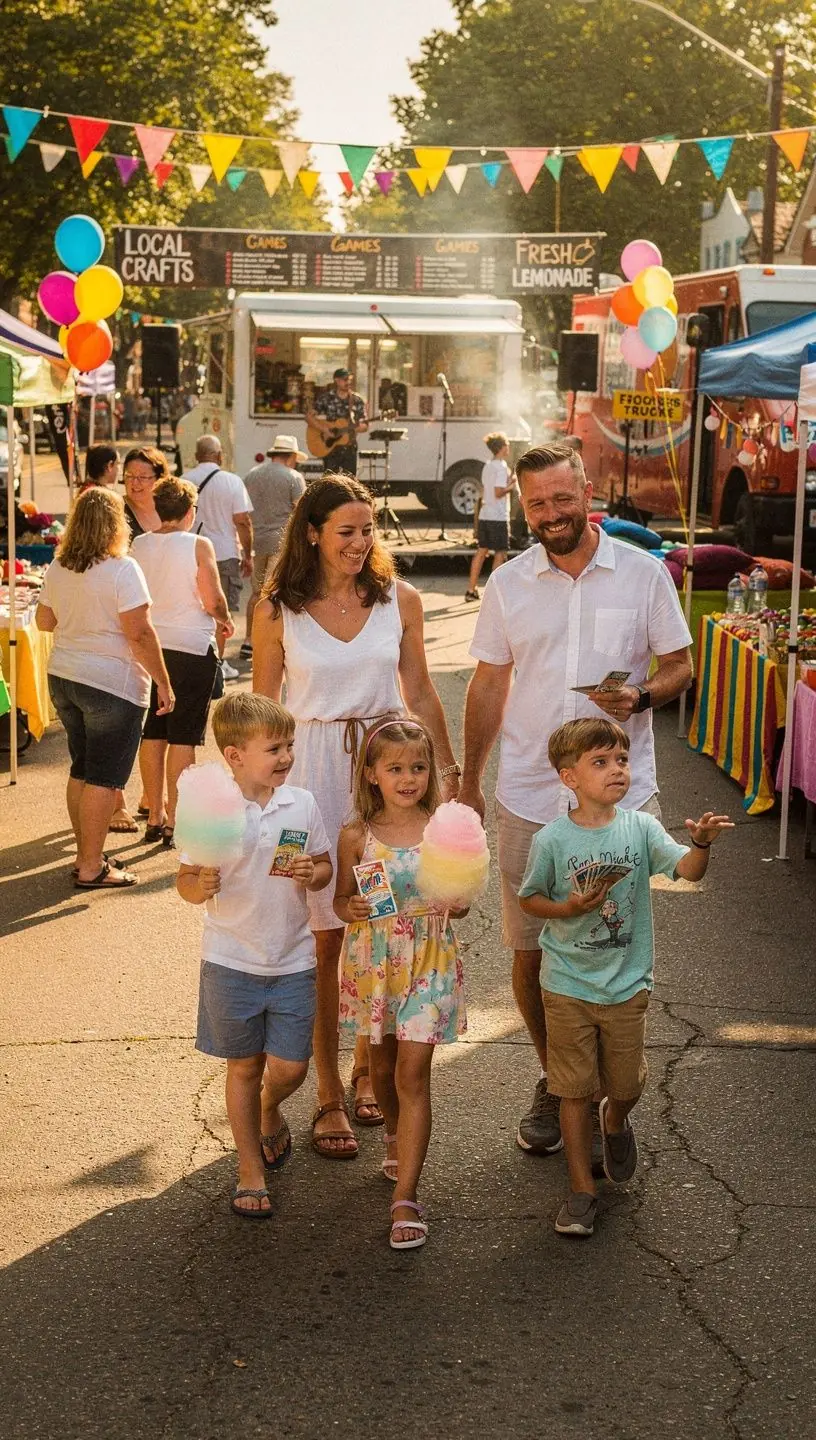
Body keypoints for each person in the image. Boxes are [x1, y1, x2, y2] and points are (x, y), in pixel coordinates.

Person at [460, 441, 693, 1160]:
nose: (552, 515)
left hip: (617, 801)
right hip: (529, 793)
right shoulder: (507, 583)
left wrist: (642, 696)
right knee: (531, 949)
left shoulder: (644, 574)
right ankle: (556, 1079)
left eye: (564, 499)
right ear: (519, 505)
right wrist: (467, 778)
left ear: (588, 490)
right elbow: (489, 684)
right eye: (537, 504)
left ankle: (611, 1092)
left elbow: (679, 666)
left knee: (611, 943)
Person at [252, 474, 461, 1161]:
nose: (360, 542)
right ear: (311, 532)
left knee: (386, 923)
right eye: (346, 531)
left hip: (385, 772)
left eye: (368, 530)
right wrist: (262, 805)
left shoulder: (397, 599)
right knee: (322, 939)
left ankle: (371, 1068)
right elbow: (263, 714)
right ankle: (329, 1096)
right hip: (309, 774)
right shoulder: (277, 607)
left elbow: (421, 691)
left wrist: (453, 777)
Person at [517, 718, 732, 1237]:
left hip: (627, 985)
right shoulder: (552, 839)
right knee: (572, 1090)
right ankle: (580, 1191)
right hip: (566, 983)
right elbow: (530, 898)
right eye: (601, 762)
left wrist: (700, 845)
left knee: (626, 1084)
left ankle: (615, 1120)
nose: (616, 770)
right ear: (569, 777)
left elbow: (687, 872)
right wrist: (568, 906)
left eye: (621, 760)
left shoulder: (639, 828)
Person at [177, 693, 332, 1219]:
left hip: (292, 958)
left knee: (290, 1067)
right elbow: (185, 884)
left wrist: (317, 873)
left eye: (289, 745)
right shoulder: (211, 808)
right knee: (243, 1065)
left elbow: (325, 863)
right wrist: (199, 881)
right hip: (230, 960)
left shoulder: (301, 804)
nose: (286, 756)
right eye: (274, 748)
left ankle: (271, 1106)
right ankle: (249, 1169)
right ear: (235, 755)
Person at [335, 718, 466, 1250]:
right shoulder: (356, 837)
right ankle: (393, 1133)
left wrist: (458, 900)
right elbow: (341, 902)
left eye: (418, 767)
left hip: (430, 960)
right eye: (395, 768)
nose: (408, 777)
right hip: (376, 963)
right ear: (372, 775)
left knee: (413, 1074)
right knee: (383, 1068)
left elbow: (463, 897)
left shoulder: (446, 828)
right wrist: (352, 905)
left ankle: (406, 1197)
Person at [35, 488, 174, 891]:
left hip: (65, 675)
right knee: (105, 778)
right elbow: (141, 633)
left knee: (82, 768)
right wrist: (164, 682)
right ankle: (91, 864)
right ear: (117, 524)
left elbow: (45, 621)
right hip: (111, 682)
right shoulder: (122, 569)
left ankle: (86, 854)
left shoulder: (60, 567)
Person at [131, 477, 234, 848]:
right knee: (184, 735)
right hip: (191, 646)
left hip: (149, 649)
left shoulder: (138, 544)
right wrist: (224, 619)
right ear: (190, 511)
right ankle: (177, 817)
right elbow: (213, 598)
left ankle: (154, 812)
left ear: (158, 509)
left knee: (153, 731)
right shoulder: (198, 545)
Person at [183, 435, 254, 681]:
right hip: (223, 554)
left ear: (196, 455)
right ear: (220, 455)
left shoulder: (184, 480)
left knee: (193, 608)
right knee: (221, 612)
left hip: (189, 552)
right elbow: (242, 521)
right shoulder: (232, 481)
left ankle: (196, 660)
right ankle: (218, 666)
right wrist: (247, 554)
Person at [240, 434, 307, 661]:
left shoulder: (251, 475)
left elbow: (244, 510)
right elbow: (301, 512)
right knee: (278, 593)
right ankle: (273, 641)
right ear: (291, 457)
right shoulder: (293, 477)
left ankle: (248, 641)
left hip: (256, 540)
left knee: (257, 593)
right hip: (282, 543)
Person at [465, 431, 518, 603]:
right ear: (502, 448)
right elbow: (498, 492)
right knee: (500, 553)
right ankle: (493, 594)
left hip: (485, 514)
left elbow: (490, 488)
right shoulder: (501, 466)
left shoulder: (488, 465)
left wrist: (509, 479)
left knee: (481, 551)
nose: (509, 447)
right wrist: (512, 486)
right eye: (507, 444)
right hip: (498, 516)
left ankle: (471, 589)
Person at [306, 368, 368, 477]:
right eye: (345, 379)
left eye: (349, 379)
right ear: (336, 380)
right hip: (330, 446)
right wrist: (324, 430)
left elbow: (364, 425)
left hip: (349, 447)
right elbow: (309, 417)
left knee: (349, 482)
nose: (348, 382)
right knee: (330, 481)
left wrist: (357, 427)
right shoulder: (326, 398)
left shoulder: (357, 400)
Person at [122, 446, 166, 542]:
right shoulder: (116, 511)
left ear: (159, 479)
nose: (135, 482)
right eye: (129, 476)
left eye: (142, 477)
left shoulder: (172, 508)